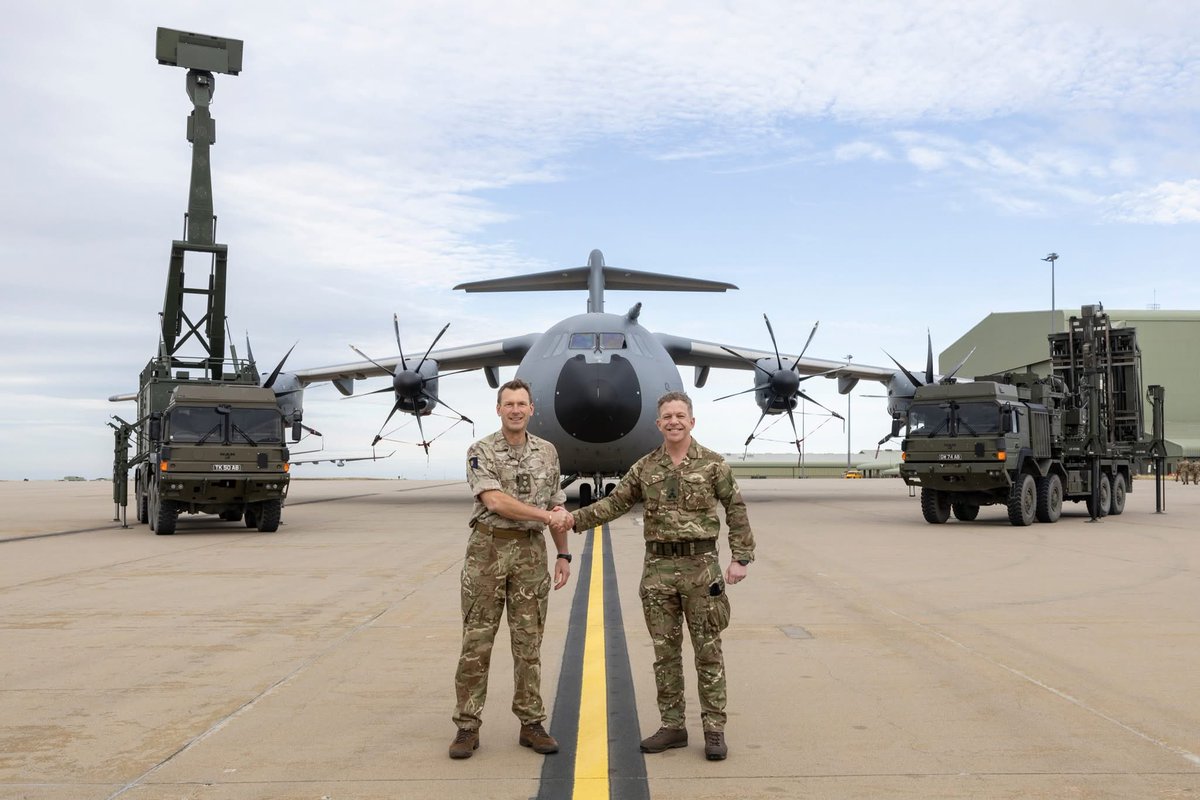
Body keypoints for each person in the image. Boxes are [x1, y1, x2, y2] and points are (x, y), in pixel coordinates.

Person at [562, 390, 755, 761]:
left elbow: (736, 508)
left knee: (708, 652)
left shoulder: (714, 465)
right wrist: (573, 519)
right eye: (667, 416)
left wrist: (740, 558)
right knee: (664, 654)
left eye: (680, 415)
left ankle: (714, 729)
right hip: (658, 572)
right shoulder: (645, 467)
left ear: (692, 421)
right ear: (658, 423)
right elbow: (615, 503)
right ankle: (673, 726)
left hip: (702, 569)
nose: (674, 422)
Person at [450, 378, 573, 759]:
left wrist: (563, 555)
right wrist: (546, 518)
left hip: (531, 556)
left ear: (532, 409)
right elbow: (496, 502)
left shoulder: (548, 452)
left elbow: (555, 504)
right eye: (509, 404)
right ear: (499, 409)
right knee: (476, 644)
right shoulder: (481, 450)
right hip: (488, 551)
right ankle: (467, 727)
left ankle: (531, 723)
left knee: (529, 645)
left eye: (522, 404)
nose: (516, 410)